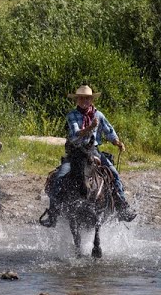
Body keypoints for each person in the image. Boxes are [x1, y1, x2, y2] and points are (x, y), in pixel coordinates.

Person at [40, 84, 137, 228]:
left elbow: (108, 130)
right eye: (81, 98)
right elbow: (74, 135)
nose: (84, 101)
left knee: (114, 174)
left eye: (87, 98)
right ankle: (53, 212)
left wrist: (117, 142)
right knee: (60, 177)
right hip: (76, 152)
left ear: (91, 100)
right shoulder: (72, 115)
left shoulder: (99, 115)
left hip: (93, 151)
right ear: (77, 100)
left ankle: (122, 206)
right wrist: (90, 128)